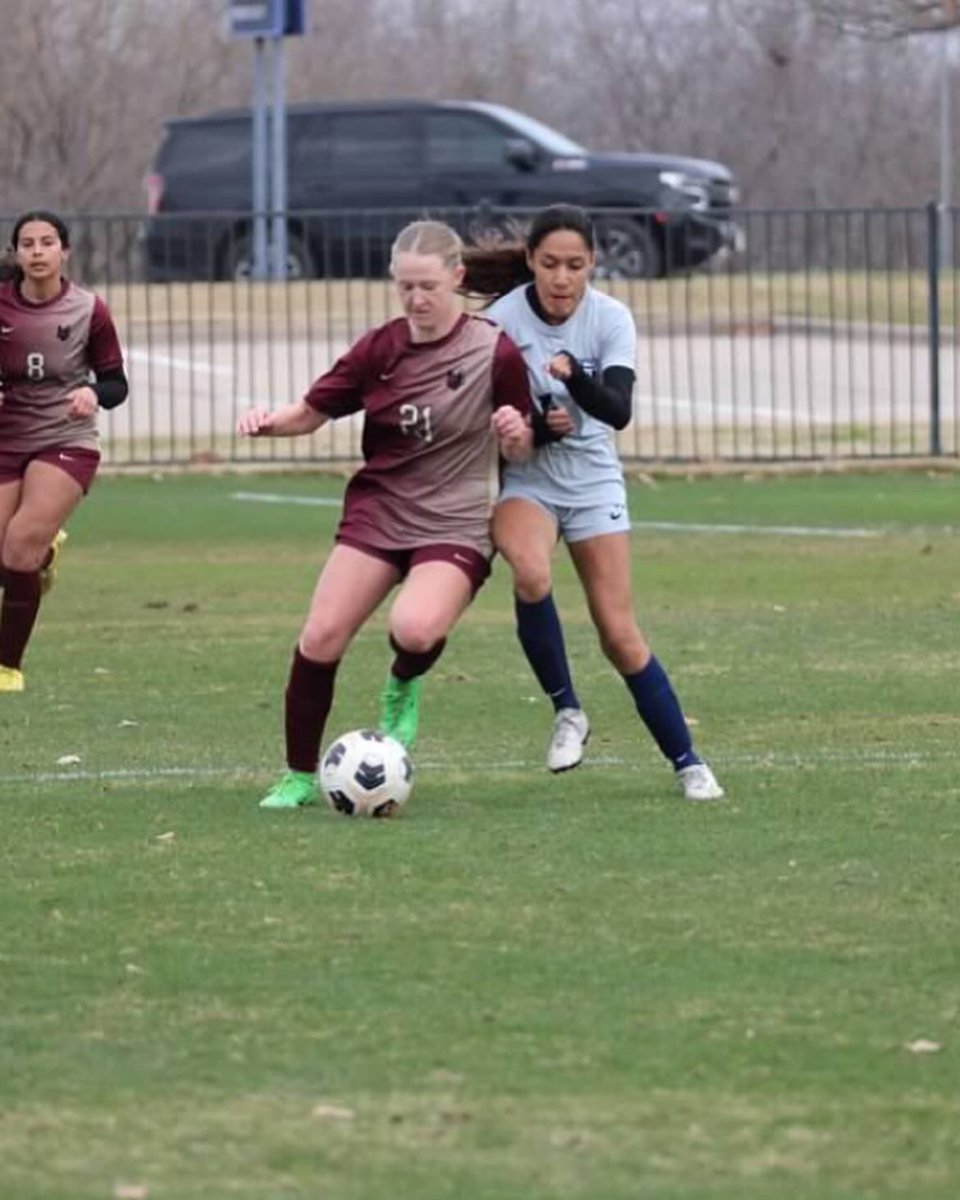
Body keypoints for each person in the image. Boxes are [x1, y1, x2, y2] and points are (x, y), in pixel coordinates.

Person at [237, 219, 533, 810]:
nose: (417, 300)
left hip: (455, 519)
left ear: (457, 277)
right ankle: (298, 776)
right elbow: (309, 414)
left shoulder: (492, 350)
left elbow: (522, 448)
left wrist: (514, 432)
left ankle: (403, 680)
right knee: (321, 636)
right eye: (405, 287)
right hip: (381, 510)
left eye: (429, 287)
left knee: (415, 629)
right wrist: (268, 422)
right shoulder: (379, 349)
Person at [460, 204, 724, 802]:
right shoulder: (500, 323)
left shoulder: (610, 318)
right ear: (531, 261)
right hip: (529, 480)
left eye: (575, 266)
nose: (562, 278)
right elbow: (483, 416)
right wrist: (537, 428)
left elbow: (617, 411)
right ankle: (567, 711)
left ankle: (688, 763)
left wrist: (574, 379)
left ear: (593, 264)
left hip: (594, 482)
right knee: (530, 572)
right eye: (550, 264)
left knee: (619, 634)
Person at [0, 210, 128, 693]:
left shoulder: (88, 310)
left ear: (64, 251)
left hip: (66, 439)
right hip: (7, 437)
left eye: (47, 242)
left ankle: (7, 668)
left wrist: (93, 392)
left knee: (20, 544)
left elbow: (117, 383)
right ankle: (46, 552)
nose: (37, 251)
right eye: (28, 244)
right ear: (16, 254)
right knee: (11, 557)